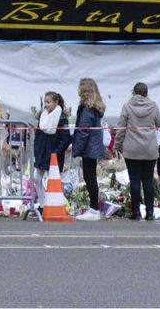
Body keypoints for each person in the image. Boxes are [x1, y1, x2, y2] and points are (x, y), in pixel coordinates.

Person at [115, 82, 160, 221]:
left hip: (132, 149)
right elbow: (159, 123)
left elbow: (121, 128)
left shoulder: (127, 106)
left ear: (133, 92)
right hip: (149, 149)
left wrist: (117, 145)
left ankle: (135, 212)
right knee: (148, 181)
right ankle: (150, 212)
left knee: (134, 180)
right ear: (147, 92)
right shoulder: (154, 106)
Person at [71, 78, 108, 217]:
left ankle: (94, 209)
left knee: (89, 177)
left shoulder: (86, 109)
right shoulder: (95, 108)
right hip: (93, 146)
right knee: (91, 176)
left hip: (88, 147)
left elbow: (83, 131)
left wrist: (77, 149)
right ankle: (94, 208)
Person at [33, 91, 70, 188]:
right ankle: (42, 202)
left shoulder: (62, 118)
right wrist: (36, 150)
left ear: (56, 102)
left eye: (48, 102)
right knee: (37, 180)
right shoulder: (42, 116)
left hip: (54, 154)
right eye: (45, 102)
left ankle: (50, 202)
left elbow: (66, 138)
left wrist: (56, 152)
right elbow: (38, 135)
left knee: (51, 183)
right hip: (41, 153)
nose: (46, 105)